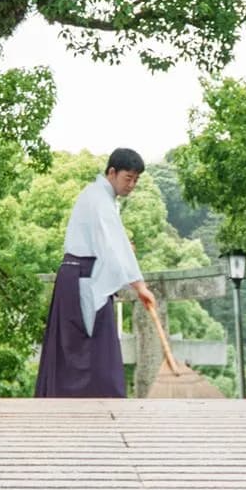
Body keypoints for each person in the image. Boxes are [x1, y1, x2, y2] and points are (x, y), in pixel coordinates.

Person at [35, 148, 157, 398]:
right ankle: (98, 407)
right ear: (112, 172)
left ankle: (80, 406)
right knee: (93, 352)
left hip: (79, 276)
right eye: (128, 178)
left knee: (84, 352)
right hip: (83, 278)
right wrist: (139, 286)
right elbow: (115, 246)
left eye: (136, 180)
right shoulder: (100, 199)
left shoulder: (98, 197)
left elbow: (109, 242)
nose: (131, 185)